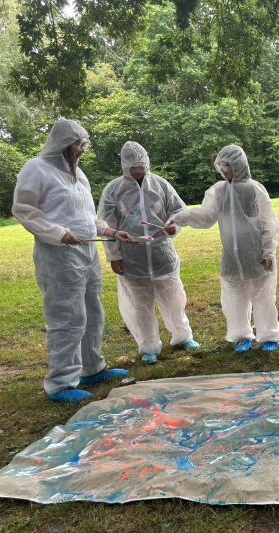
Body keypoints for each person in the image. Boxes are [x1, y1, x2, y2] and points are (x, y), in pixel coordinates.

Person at [12, 119, 131, 403]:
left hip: (86, 253)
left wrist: (110, 231)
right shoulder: (36, 169)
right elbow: (24, 209)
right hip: (59, 256)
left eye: (83, 145)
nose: (82, 150)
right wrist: (57, 233)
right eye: (79, 145)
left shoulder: (78, 175)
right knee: (67, 315)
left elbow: (85, 217)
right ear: (64, 143)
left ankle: (93, 367)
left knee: (92, 311)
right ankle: (61, 382)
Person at [168, 145, 279, 352]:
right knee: (235, 297)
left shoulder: (253, 189)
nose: (222, 170)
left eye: (226, 165)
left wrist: (268, 252)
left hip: (255, 254)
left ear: (238, 164)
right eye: (220, 166)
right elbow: (206, 215)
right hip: (231, 257)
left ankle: (269, 334)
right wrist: (180, 219)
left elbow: (269, 223)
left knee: (263, 296)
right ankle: (241, 335)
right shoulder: (219, 191)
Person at [98, 141, 199, 365]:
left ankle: (183, 336)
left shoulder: (161, 185)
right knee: (140, 304)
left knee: (174, 299)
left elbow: (179, 212)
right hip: (132, 257)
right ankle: (149, 346)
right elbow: (107, 225)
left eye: (140, 167)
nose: (137, 172)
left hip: (162, 254)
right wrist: (114, 256)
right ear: (124, 166)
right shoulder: (114, 190)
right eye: (132, 168)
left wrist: (175, 225)